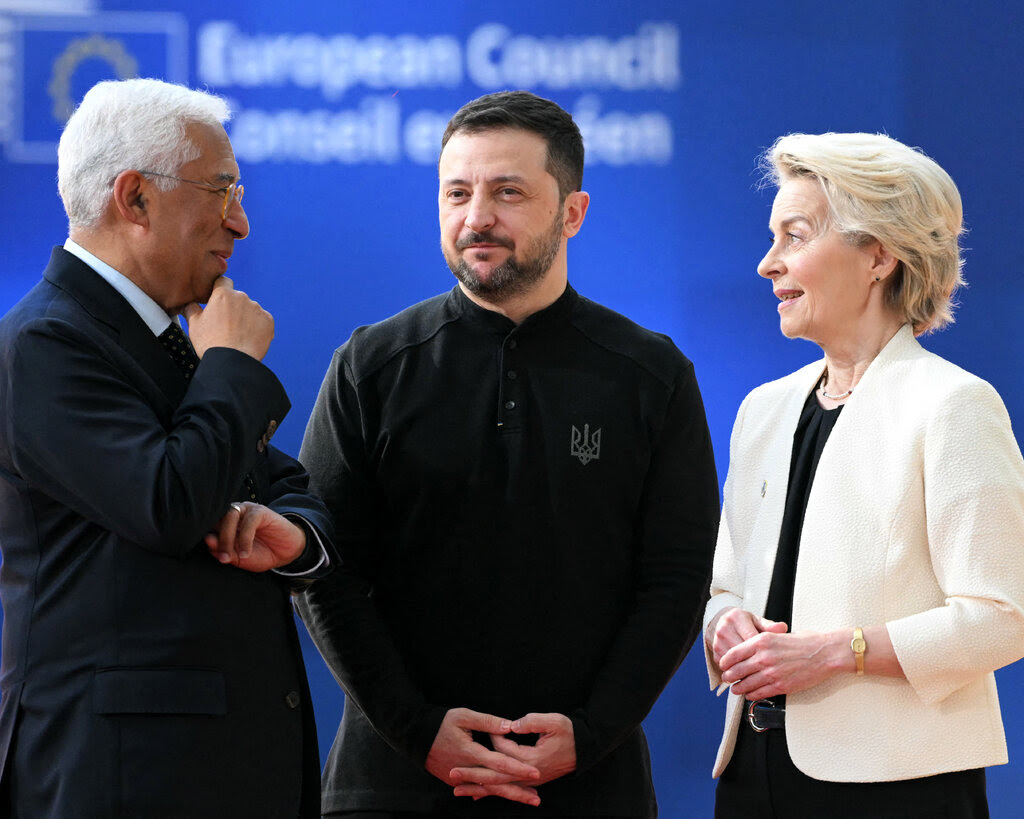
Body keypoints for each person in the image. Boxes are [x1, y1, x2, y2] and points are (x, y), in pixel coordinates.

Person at [297, 90, 720, 818]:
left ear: (573, 212)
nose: (476, 216)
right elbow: (324, 571)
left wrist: (590, 733)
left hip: (587, 782)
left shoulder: (650, 376)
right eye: (457, 192)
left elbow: (677, 580)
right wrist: (417, 728)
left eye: (507, 192)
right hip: (394, 782)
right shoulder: (371, 365)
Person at [0, 78, 335, 818]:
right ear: (135, 198)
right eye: (221, 191)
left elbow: (281, 480)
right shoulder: (46, 341)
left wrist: (296, 538)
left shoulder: (161, 336)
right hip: (125, 780)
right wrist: (233, 368)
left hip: (209, 773)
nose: (241, 222)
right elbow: (168, 502)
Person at [704, 131, 1024, 817]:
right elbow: (724, 583)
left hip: (898, 785)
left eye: (794, 236)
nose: (768, 264)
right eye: (773, 237)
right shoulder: (764, 409)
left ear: (878, 255)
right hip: (752, 774)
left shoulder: (954, 406)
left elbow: (1003, 618)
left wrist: (837, 652)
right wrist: (722, 620)